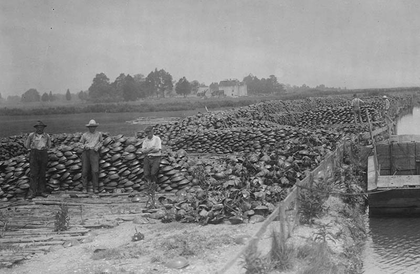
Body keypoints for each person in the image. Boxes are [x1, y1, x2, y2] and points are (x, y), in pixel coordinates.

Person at [25, 121, 52, 199]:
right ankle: (32, 192)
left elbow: (49, 146)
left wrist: (44, 148)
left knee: (42, 173)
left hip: (43, 154)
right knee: (33, 174)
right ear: (36, 128)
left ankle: (42, 191)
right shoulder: (31, 135)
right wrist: (33, 149)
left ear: (43, 128)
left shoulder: (47, 136)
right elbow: (27, 145)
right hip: (34, 154)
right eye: (38, 127)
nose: (40, 129)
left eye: (41, 127)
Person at [139, 126, 162, 208]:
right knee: (146, 173)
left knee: (153, 173)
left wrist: (148, 150)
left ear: (152, 132)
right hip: (147, 158)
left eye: (149, 132)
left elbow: (157, 149)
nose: (148, 134)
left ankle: (154, 187)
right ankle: (149, 188)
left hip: (156, 157)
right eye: (147, 133)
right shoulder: (145, 140)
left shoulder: (157, 139)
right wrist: (150, 149)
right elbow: (143, 151)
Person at [79, 119, 103, 194]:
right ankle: (84, 188)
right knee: (85, 171)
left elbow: (101, 142)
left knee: (95, 171)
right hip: (86, 153)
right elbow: (80, 144)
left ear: (95, 127)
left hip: (94, 152)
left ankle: (95, 188)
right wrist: (84, 147)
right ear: (88, 127)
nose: (92, 128)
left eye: (93, 127)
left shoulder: (99, 134)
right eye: (91, 127)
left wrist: (98, 147)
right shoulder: (84, 135)